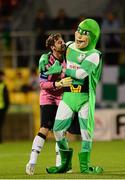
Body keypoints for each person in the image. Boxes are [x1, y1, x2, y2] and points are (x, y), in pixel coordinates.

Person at [46, 18, 103, 174]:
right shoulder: (69, 46)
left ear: (93, 37)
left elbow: (81, 74)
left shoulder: (94, 55)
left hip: (85, 98)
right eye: (78, 30)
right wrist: (48, 62)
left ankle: (85, 167)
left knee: (86, 133)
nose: (79, 35)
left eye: (85, 33)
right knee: (57, 130)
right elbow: (54, 52)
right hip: (68, 97)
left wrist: (62, 71)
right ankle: (65, 164)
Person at [26, 33, 73, 175]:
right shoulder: (45, 60)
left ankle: (61, 165)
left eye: (62, 41)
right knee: (45, 127)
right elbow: (42, 84)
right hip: (48, 96)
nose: (63, 43)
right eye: (59, 42)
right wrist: (57, 83)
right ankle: (32, 161)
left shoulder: (68, 56)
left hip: (62, 97)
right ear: (53, 47)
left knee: (60, 130)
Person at [0, 70, 10, 143]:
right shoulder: (3, 85)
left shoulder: (3, 85)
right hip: (2, 108)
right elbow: (7, 98)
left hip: (2, 108)